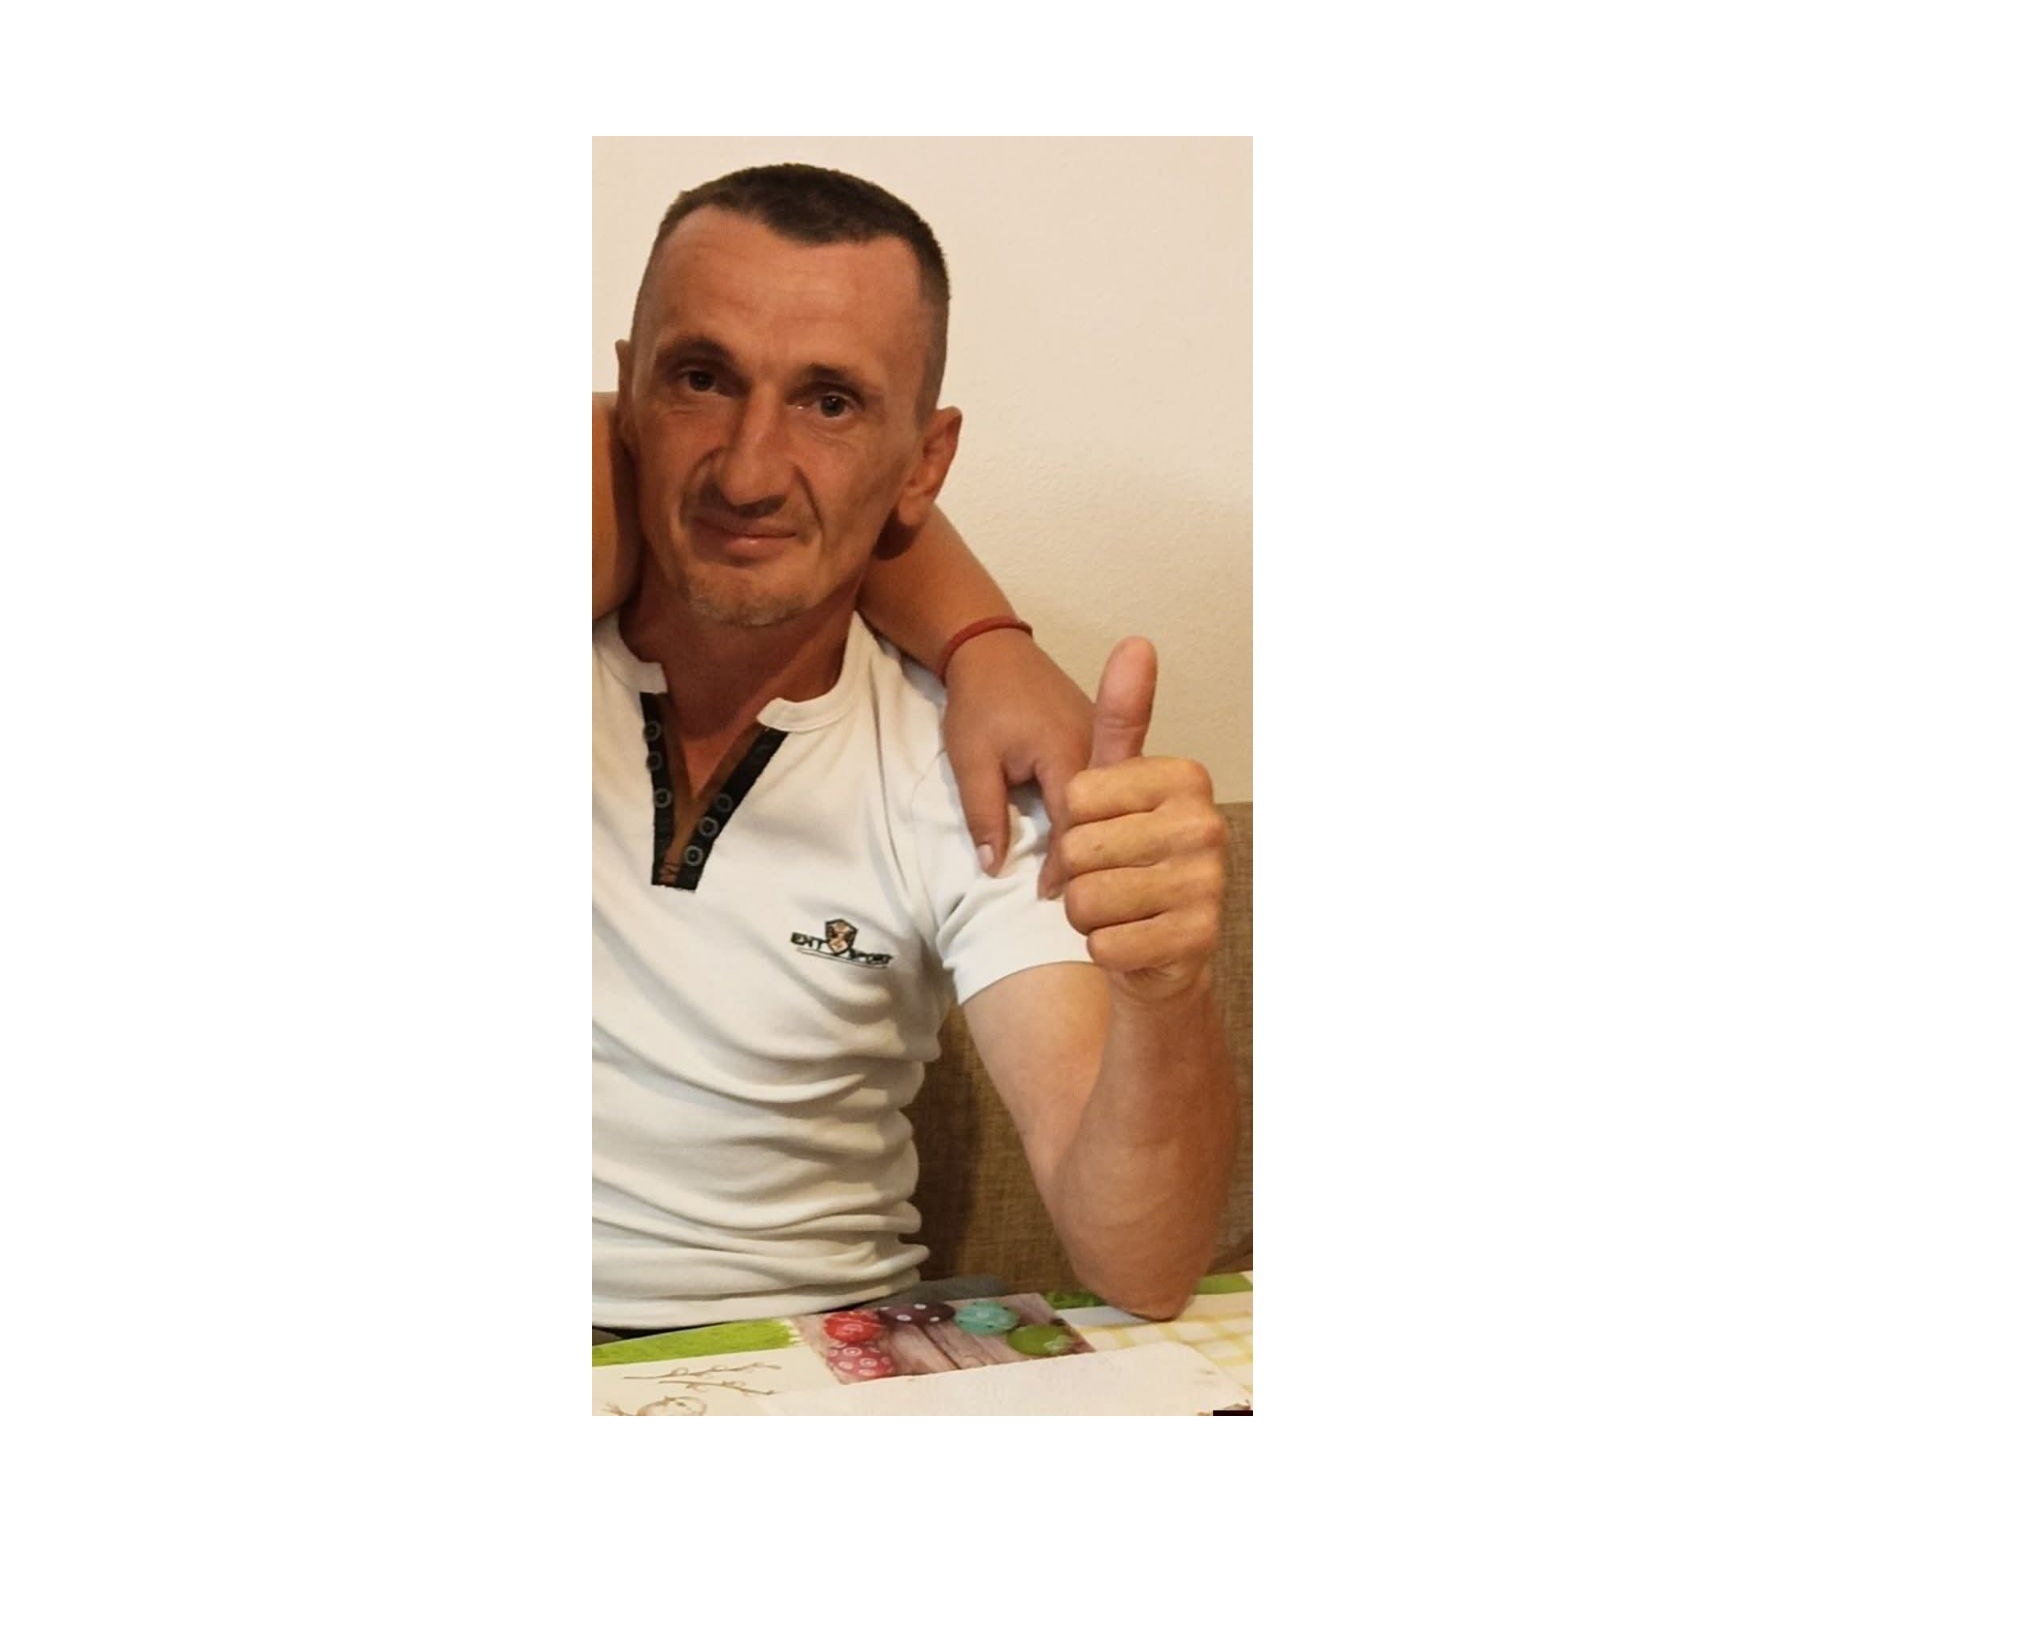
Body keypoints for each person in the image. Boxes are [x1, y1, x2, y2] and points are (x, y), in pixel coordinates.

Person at [593, 163, 1236, 1335]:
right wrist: (985, 629)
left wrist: (1165, 990)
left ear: (924, 464)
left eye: (830, 403)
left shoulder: (980, 764)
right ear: (625, 394)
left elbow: (1141, 1265)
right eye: (701, 378)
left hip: (806, 1367)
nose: (747, 469)